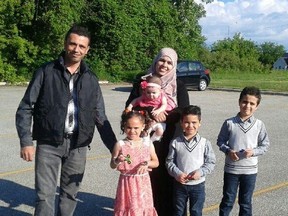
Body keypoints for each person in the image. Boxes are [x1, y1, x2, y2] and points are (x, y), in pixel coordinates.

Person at [15, 25, 117, 216]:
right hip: (49, 144)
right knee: (45, 196)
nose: (76, 49)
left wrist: (114, 146)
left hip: (78, 146)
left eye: (81, 46)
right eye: (72, 44)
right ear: (65, 44)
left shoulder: (91, 79)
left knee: (70, 195)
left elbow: (100, 116)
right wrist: (26, 141)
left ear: (87, 50)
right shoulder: (46, 72)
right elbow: (25, 107)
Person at [125, 47, 190, 216]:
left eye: (169, 62)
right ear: (155, 61)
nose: (165, 65)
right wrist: (148, 115)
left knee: (168, 178)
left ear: (174, 65)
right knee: (148, 177)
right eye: (162, 60)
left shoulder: (178, 85)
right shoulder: (142, 82)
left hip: (169, 139)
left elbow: (183, 110)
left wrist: (165, 115)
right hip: (145, 138)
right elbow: (131, 105)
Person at [217, 86, 270, 216]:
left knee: (245, 202)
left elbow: (265, 145)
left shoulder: (259, 125)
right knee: (228, 200)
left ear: (257, 106)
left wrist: (253, 152)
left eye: (252, 103)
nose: (247, 106)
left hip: (250, 171)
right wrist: (228, 151)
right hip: (232, 170)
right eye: (245, 102)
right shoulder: (229, 123)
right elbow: (220, 141)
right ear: (239, 102)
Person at [166, 105, 216, 216]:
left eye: (194, 122)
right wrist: (177, 174)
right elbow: (169, 162)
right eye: (187, 122)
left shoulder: (204, 143)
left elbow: (211, 162)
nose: (190, 126)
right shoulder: (175, 142)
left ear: (199, 123)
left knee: (196, 212)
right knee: (178, 212)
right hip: (180, 184)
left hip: (198, 185)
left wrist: (201, 172)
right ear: (181, 123)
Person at [110, 110, 159, 216]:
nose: (132, 131)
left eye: (136, 128)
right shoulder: (120, 144)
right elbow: (112, 165)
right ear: (124, 126)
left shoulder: (147, 143)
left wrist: (147, 164)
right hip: (127, 183)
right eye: (129, 127)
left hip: (143, 183)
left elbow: (156, 162)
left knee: (143, 208)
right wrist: (117, 160)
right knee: (129, 208)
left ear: (143, 126)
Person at [126, 75, 174, 141]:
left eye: (154, 93)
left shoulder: (162, 96)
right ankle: (146, 142)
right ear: (145, 91)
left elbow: (164, 105)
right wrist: (130, 106)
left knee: (160, 131)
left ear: (159, 91)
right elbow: (135, 100)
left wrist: (158, 110)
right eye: (148, 92)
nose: (151, 95)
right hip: (147, 120)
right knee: (145, 132)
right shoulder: (144, 96)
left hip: (158, 120)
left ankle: (153, 140)